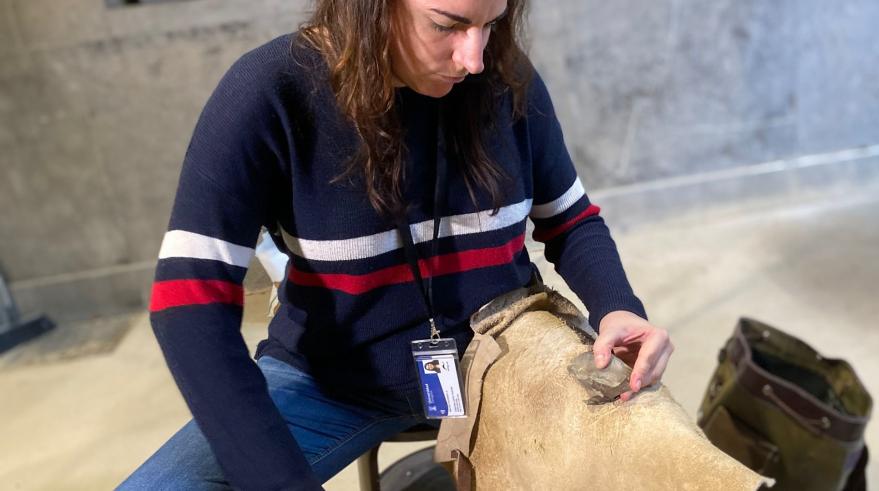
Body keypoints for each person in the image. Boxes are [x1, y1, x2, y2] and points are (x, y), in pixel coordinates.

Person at [120, 0, 674, 489]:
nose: (474, 58)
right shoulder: (269, 92)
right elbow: (187, 307)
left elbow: (570, 220)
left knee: (672, 466)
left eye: (492, 24)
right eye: (446, 26)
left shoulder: (506, 81)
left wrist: (618, 305)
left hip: (508, 362)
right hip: (334, 381)